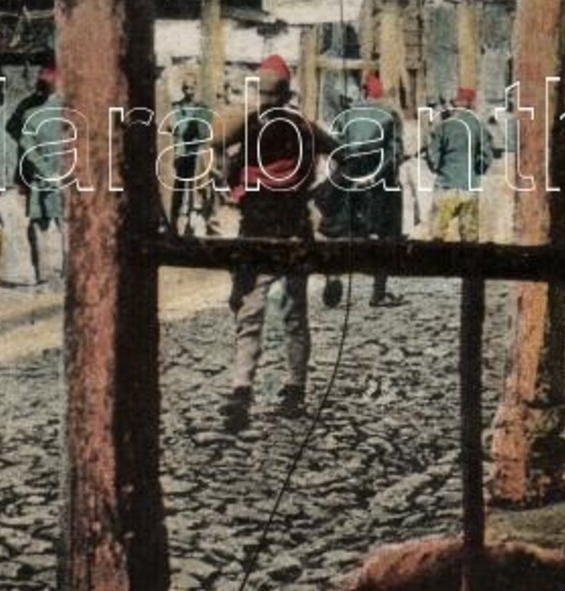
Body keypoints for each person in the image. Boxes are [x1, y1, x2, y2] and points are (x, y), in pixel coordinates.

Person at [211, 54, 337, 432]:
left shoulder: (265, 124)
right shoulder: (290, 125)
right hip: (286, 230)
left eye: (268, 93)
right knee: (284, 313)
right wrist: (321, 195)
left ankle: (248, 388)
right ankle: (268, 389)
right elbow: (342, 156)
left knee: (258, 313)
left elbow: (215, 140)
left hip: (268, 231)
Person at [321, 75, 406, 306]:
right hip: (379, 184)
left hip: (347, 181)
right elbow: (395, 154)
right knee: (384, 236)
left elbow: (335, 150)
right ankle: (378, 293)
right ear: (382, 95)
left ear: (363, 93)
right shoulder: (391, 115)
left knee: (343, 233)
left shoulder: (346, 115)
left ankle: (333, 277)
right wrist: (378, 177)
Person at [14, 66, 68, 286]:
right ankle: (55, 272)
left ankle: (49, 273)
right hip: (55, 175)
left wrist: (47, 171)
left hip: (50, 175)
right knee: (55, 223)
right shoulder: (64, 111)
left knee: (47, 224)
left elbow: (27, 145)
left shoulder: (33, 113)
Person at [427, 87, 491, 243]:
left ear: (456, 103)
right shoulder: (478, 125)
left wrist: (438, 169)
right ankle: (468, 266)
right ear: (470, 104)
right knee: (469, 236)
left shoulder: (444, 125)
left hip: (446, 184)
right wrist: (477, 171)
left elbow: (432, 154)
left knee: (437, 234)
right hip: (469, 185)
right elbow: (486, 156)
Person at [168, 76, 216, 236]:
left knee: (195, 189)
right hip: (182, 153)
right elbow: (174, 128)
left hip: (196, 152)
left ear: (196, 88)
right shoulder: (177, 108)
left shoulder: (202, 108)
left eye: (191, 88)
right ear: (183, 89)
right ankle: (173, 222)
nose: (189, 91)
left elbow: (206, 130)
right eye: (186, 88)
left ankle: (192, 222)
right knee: (179, 187)